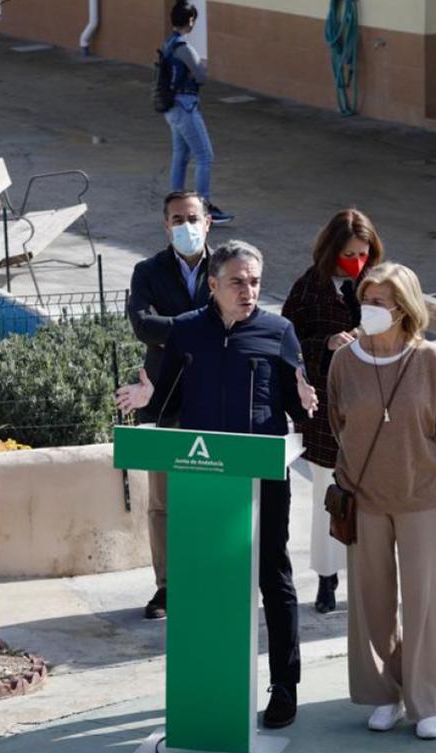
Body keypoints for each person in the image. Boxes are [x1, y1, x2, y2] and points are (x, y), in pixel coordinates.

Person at [116, 240, 317, 728]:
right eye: (237, 282)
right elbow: (167, 399)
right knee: (206, 581)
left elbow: (296, 405)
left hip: (264, 477)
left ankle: (284, 686)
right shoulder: (186, 332)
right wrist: (147, 397)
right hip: (204, 481)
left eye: (254, 282)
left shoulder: (278, 331)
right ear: (213, 285)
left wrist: (307, 398)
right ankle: (207, 683)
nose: (248, 291)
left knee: (274, 576)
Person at [327, 263, 436, 740]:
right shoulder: (344, 361)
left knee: (422, 602)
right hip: (363, 497)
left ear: (404, 308)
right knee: (371, 601)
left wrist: (422, 464)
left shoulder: (432, 362)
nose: (369, 310)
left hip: (419, 497)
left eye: (379, 302)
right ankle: (384, 695)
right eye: (366, 300)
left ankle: (425, 702)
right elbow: (340, 422)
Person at [281, 208, 385, 614]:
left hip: (376, 407)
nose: (356, 262)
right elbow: (286, 342)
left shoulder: (381, 284)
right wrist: (324, 344)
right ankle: (327, 579)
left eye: (363, 253)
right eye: (349, 254)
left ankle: (370, 578)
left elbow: (407, 328)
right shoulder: (309, 287)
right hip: (326, 413)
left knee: (373, 499)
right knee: (329, 495)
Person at [125, 190, 214, 620]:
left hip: (217, 400)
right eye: (177, 219)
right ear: (165, 225)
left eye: (193, 217)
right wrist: (203, 328)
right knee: (163, 503)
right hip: (164, 403)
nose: (186, 226)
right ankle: (167, 586)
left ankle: (208, 578)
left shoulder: (228, 265)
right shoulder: (148, 271)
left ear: (208, 221)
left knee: (213, 494)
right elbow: (143, 326)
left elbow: (237, 320)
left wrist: (174, 329)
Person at [161, 1, 233, 224]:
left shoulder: (168, 44)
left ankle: (173, 207)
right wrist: (200, 67)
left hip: (172, 107)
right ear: (190, 21)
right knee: (204, 156)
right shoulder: (183, 47)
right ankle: (204, 208)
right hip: (186, 106)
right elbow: (201, 76)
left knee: (181, 156)